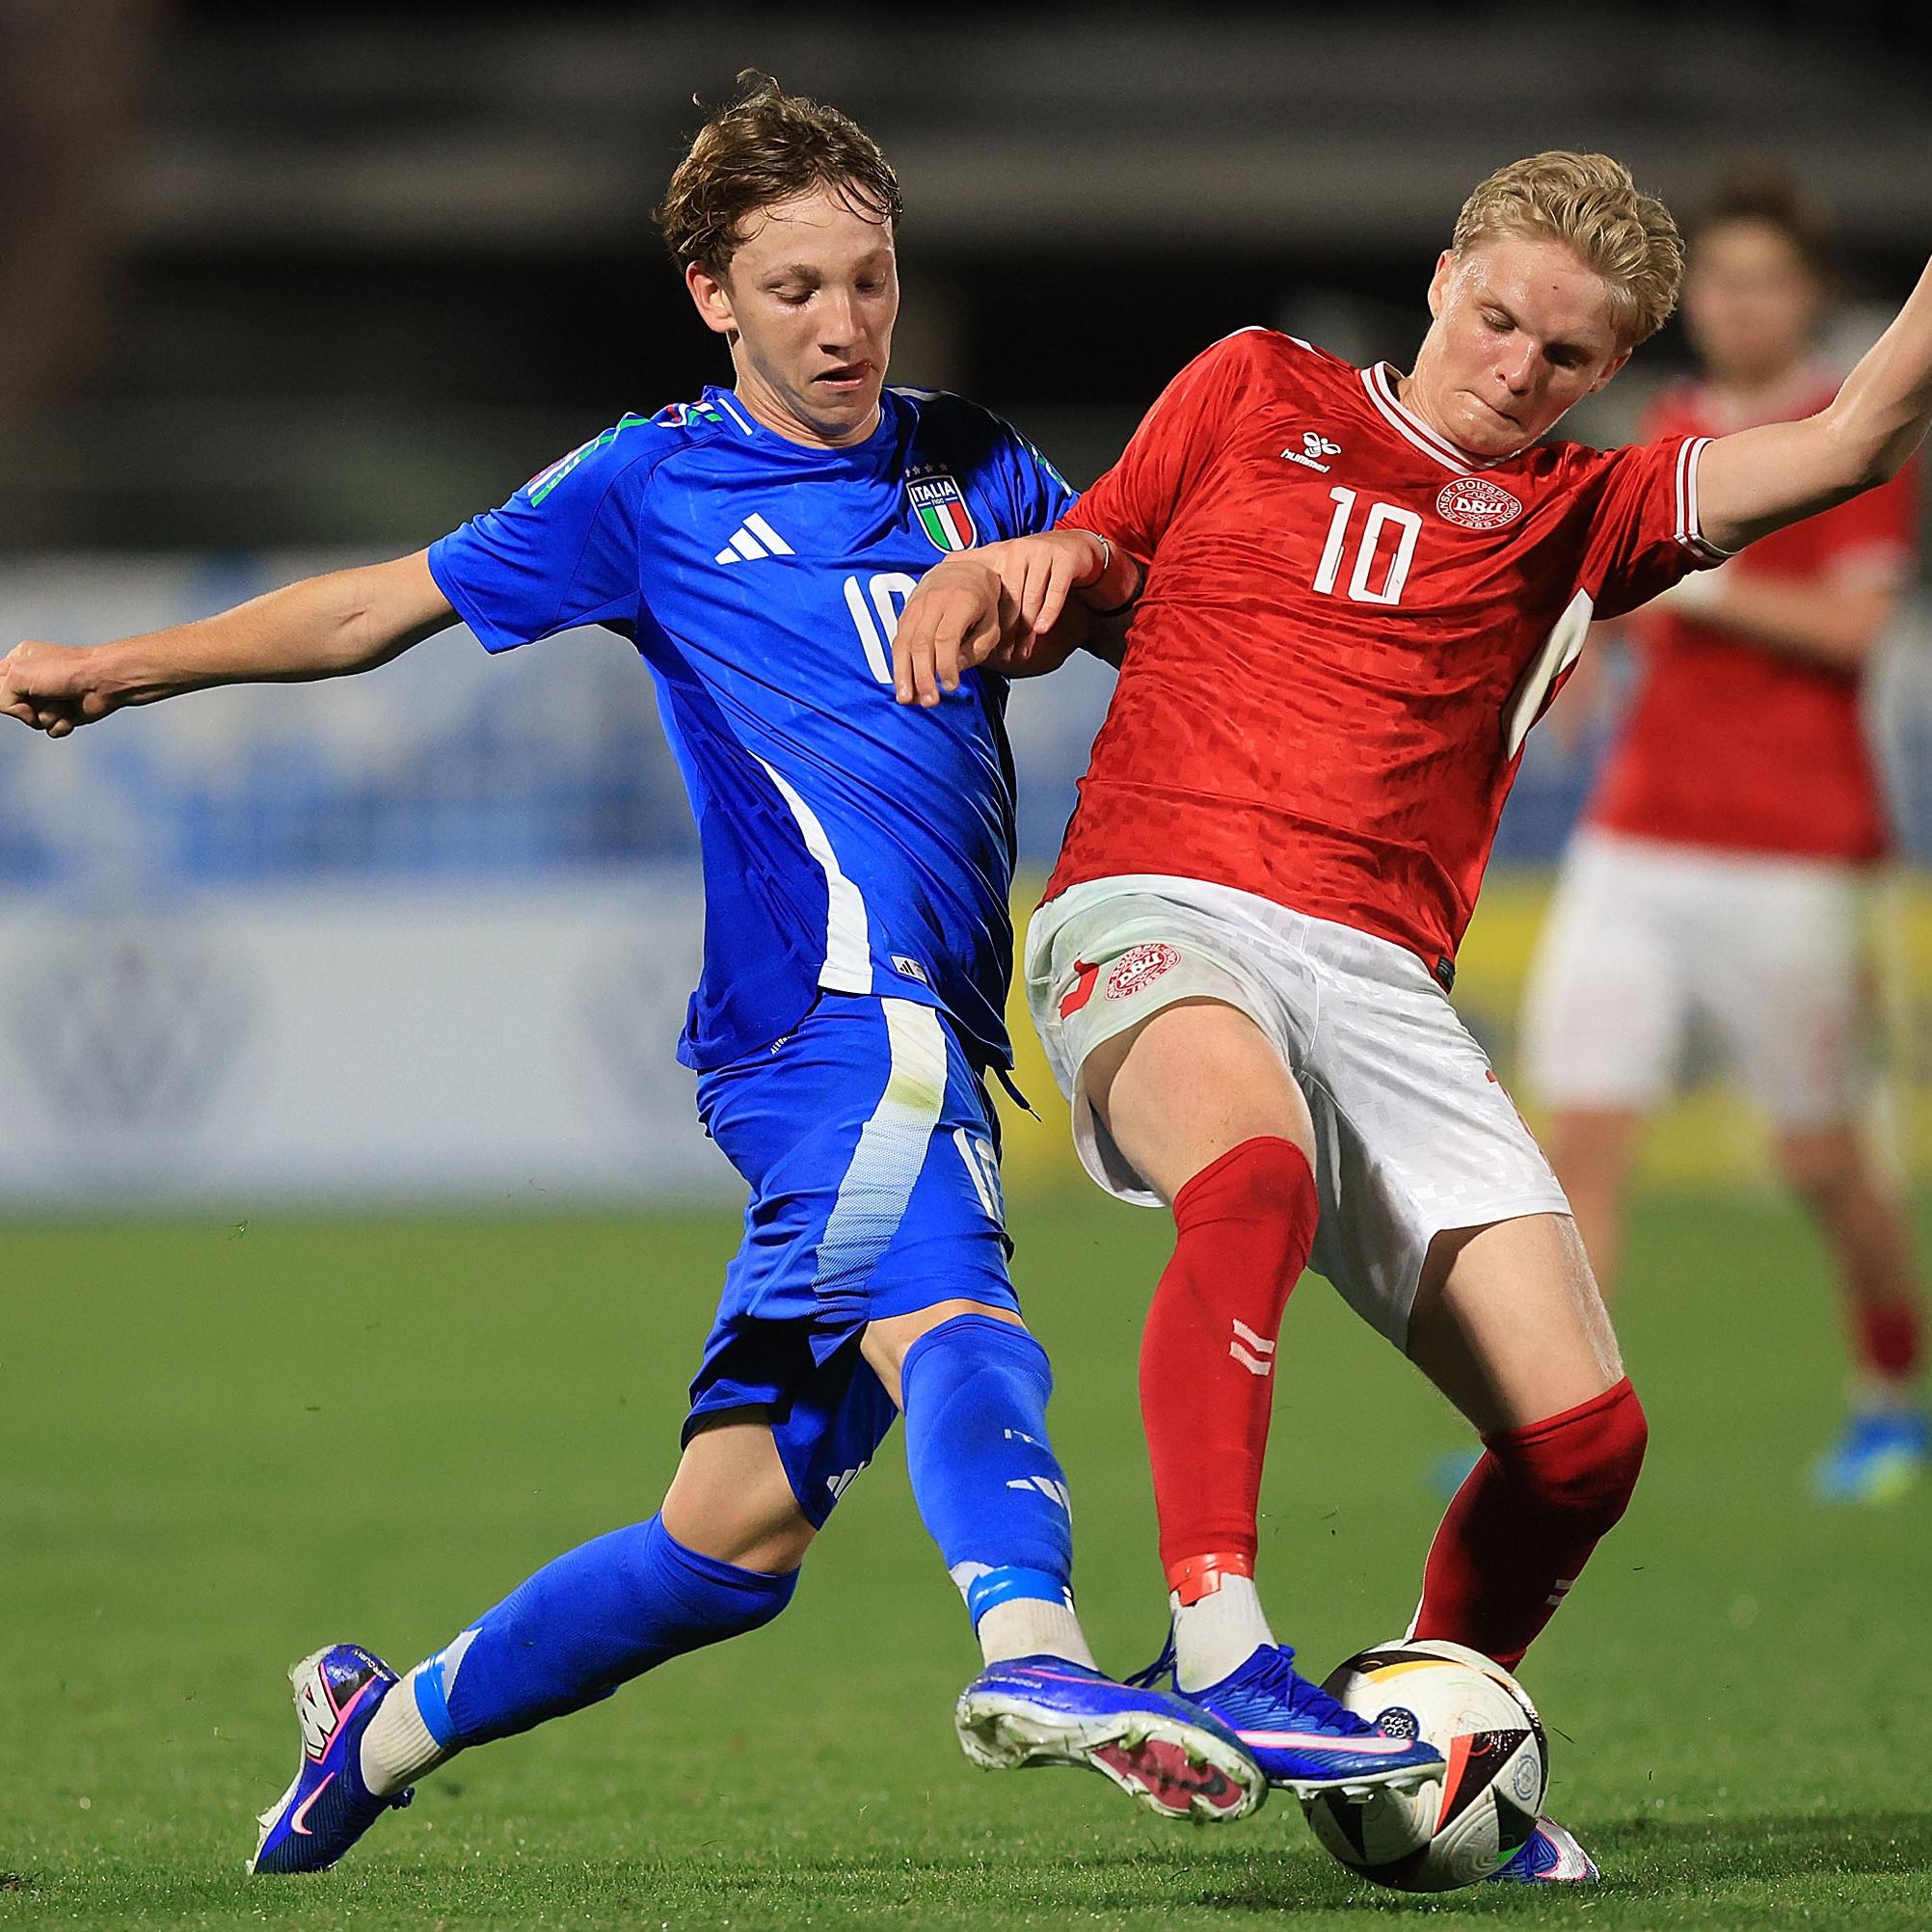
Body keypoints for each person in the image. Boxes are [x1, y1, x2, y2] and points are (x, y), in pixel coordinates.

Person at [0, 75, 1308, 1876]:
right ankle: (1044, 1655)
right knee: (961, 1314)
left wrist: (1072, 567)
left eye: (870, 279)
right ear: (713, 295)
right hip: (830, 1024)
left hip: (929, 1012)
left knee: (729, 1550)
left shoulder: (974, 461)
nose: (844, 324)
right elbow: (379, 606)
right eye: (796, 291)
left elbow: (1149, 619)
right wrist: (127, 667)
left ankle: (367, 1733)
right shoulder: (652, 482)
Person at [892, 150, 1932, 1883]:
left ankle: (1430, 1753)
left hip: (1381, 979)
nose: (1515, 367)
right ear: (1446, 274)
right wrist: (1016, 574)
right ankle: (1220, 1649)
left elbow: (1848, 442)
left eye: (1566, 356)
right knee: (1252, 1178)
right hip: (1157, 901)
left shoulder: (1583, 514)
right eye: (1500, 315)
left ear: (1610, 374)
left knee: (1585, 1446)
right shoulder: (1252, 384)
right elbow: (1105, 544)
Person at [1522, 172, 1929, 1504]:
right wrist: (1578, 663)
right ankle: (1556, 1429)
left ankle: (1890, 1397)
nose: (1741, 303)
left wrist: (1709, 587)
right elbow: (1621, 595)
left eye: (1768, 281)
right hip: (1637, 839)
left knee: (1820, 1162)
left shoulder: (1849, 436)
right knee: (1581, 1139)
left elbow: (1855, 631)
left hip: (1793, 851)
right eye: (1725, 280)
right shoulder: (1675, 425)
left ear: (1809, 299)